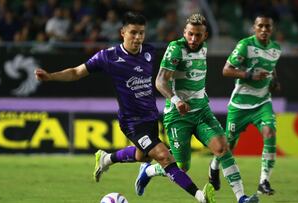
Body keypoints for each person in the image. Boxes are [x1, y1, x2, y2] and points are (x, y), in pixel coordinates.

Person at [35, 12, 215, 203]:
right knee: (164, 157)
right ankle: (200, 196)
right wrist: (51, 76)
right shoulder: (108, 56)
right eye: (133, 33)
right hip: (132, 121)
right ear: (123, 32)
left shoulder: (149, 52)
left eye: (141, 33)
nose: (138, 37)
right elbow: (76, 72)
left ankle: (106, 159)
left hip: (151, 118)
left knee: (143, 156)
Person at [135, 13, 259, 203]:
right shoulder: (176, 49)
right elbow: (160, 81)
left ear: (205, 36)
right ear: (184, 32)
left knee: (223, 148)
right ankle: (148, 171)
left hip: (202, 112)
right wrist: (177, 100)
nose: (193, 39)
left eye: (198, 35)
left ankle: (241, 197)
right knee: (182, 166)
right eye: (190, 34)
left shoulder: (203, 49)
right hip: (178, 116)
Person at [208, 14, 281, 196]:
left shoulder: (276, 49)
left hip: (263, 102)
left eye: (268, 27)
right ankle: (214, 167)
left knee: (270, 133)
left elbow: (272, 68)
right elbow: (226, 70)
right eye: (261, 26)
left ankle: (264, 181)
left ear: (272, 29)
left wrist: (274, 81)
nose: (264, 30)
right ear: (254, 28)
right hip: (240, 105)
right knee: (228, 146)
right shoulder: (245, 45)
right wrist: (250, 75)